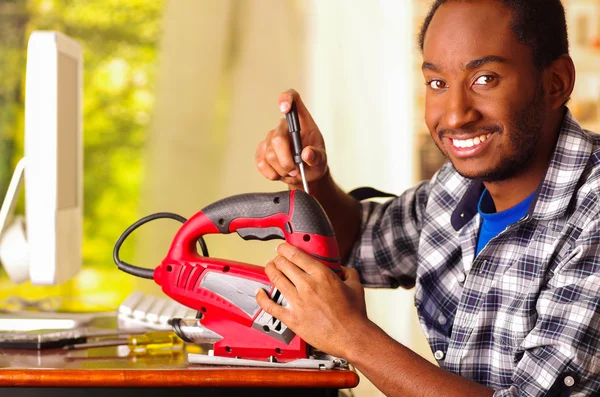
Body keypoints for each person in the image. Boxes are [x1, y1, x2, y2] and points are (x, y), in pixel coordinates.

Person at [253, 0, 600, 396]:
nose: (454, 116)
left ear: (556, 81)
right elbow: (362, 244)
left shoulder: (593, 213)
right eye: (437, 83)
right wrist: (311, 176)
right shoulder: (455, 186)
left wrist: (350, 336)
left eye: (484, 79)